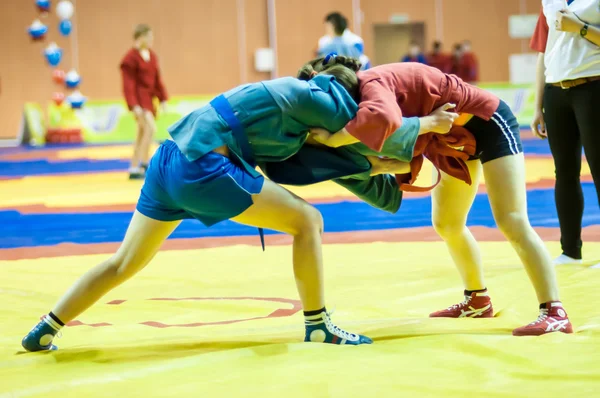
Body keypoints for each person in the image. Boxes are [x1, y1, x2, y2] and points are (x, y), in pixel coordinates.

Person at [21, 69, 389, 352]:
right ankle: (318, 325)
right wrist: (423, 128)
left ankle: (46, 327)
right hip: (202, 166)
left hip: (167, 158)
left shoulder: (277, 98)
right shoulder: (315, 97)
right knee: (309, 221)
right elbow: (368, 125)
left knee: (123, 262)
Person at [298, 56, 573, 336]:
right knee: (447, 223)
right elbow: (402, 152)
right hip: (449, 138)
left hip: (488, 122)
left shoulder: (372, 83)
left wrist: (334, 140)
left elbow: (385, 120)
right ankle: (477, 299)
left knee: (511, 219)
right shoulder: (361, 102)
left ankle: (554, 310)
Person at [530, 2, 600, 267]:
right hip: (555, 91)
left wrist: (579, 27)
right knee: (565, 172)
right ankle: (570, 250)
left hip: (593, 87)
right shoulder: (550, 2)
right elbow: (543, 52)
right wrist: (538, 106)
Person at [120, 24, 168, 180]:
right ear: (140, 38)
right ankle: (145, 163)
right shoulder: (130, 58)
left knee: (142, 134)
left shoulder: (152, 56)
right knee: (150, 128)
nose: (151, 40)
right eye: (148, 37)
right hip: (139, 102)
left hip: (148, 100)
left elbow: (157, 80)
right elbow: (128, 84)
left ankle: (134, 167)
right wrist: (133, 105)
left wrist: (162, 98)